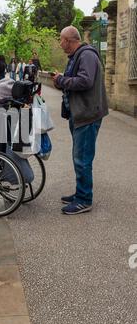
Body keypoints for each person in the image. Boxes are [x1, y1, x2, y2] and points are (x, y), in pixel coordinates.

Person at [53, 26, 109, 215]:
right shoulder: (78, 56)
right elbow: (76, 81)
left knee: (82, 159)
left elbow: (85, 81)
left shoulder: (86, 56)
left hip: (87, 115)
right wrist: (61, 80)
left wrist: (62, 81)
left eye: (61, 40)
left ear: (69, 40)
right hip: (80, 114)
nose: (60, 44)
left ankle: (84, 199)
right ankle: (80, 193)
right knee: (80, 158)